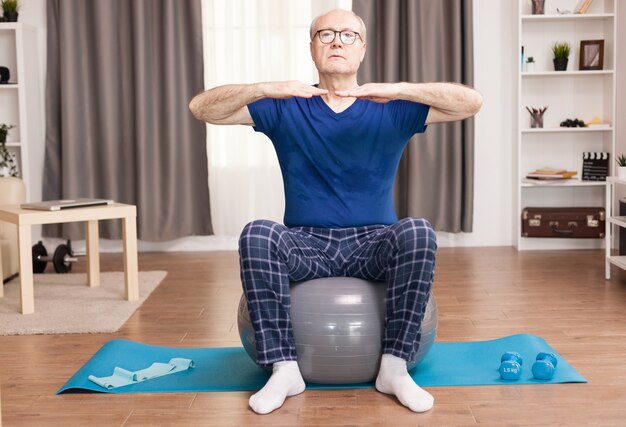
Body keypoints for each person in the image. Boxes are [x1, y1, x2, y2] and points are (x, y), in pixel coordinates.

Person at [189, 8, 482, 415]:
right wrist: (265, 88)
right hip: (307, 243)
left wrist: (399, 88)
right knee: (257, 232)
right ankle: (284, 368)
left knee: (418, 230)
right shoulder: (286, 106)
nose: (337, 41)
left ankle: (394, 368)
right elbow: (202, 108)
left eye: (348, 35)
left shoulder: (391, 107)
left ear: (362, 48)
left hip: (375, 243)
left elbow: (471, 102)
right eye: (325, 34)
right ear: (312, 48)